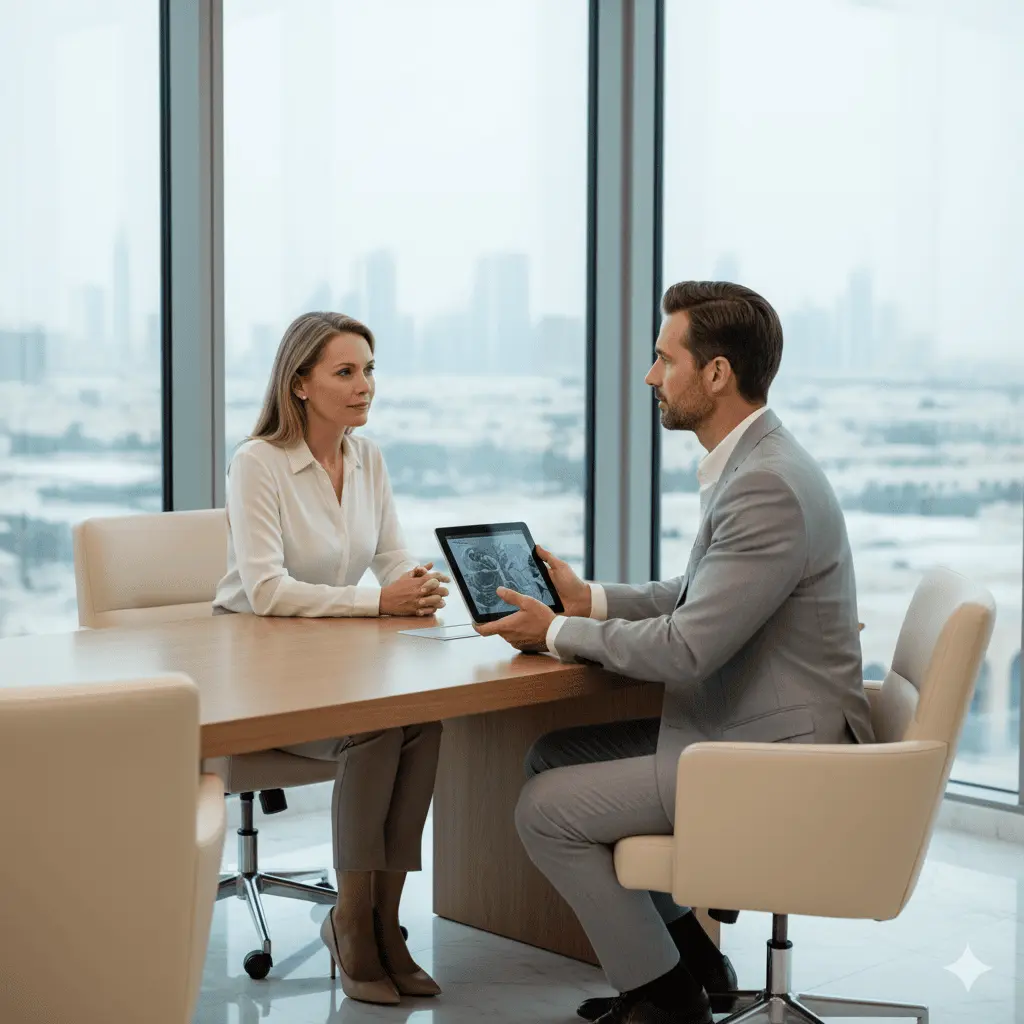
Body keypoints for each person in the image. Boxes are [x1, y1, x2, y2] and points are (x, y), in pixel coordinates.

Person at [476, 282, 876, 1024]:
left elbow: (688, 646)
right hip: (753, 725)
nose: (652, 376)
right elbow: (696, 594)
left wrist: (554, 634)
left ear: (716, 373)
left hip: (773, 754)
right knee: (548, 757)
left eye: (664, 358)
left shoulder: (766, 487)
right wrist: (586, 599)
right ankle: (694, 962)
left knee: (543, 811)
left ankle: (664, 1002)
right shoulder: (758, 462)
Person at [214, 311, 449, 1006]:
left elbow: (389, 556)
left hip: (331, 664)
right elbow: (266, 589)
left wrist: (418, 584)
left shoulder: (366, 458)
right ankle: (348, 921)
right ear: (301, 385)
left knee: (424, 723)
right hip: (257, 677)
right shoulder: (257, 463)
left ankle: (385, 923)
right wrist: (380, 605)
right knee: (375, 730)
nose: (364, 385)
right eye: (346, 372)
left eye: (369, 369)